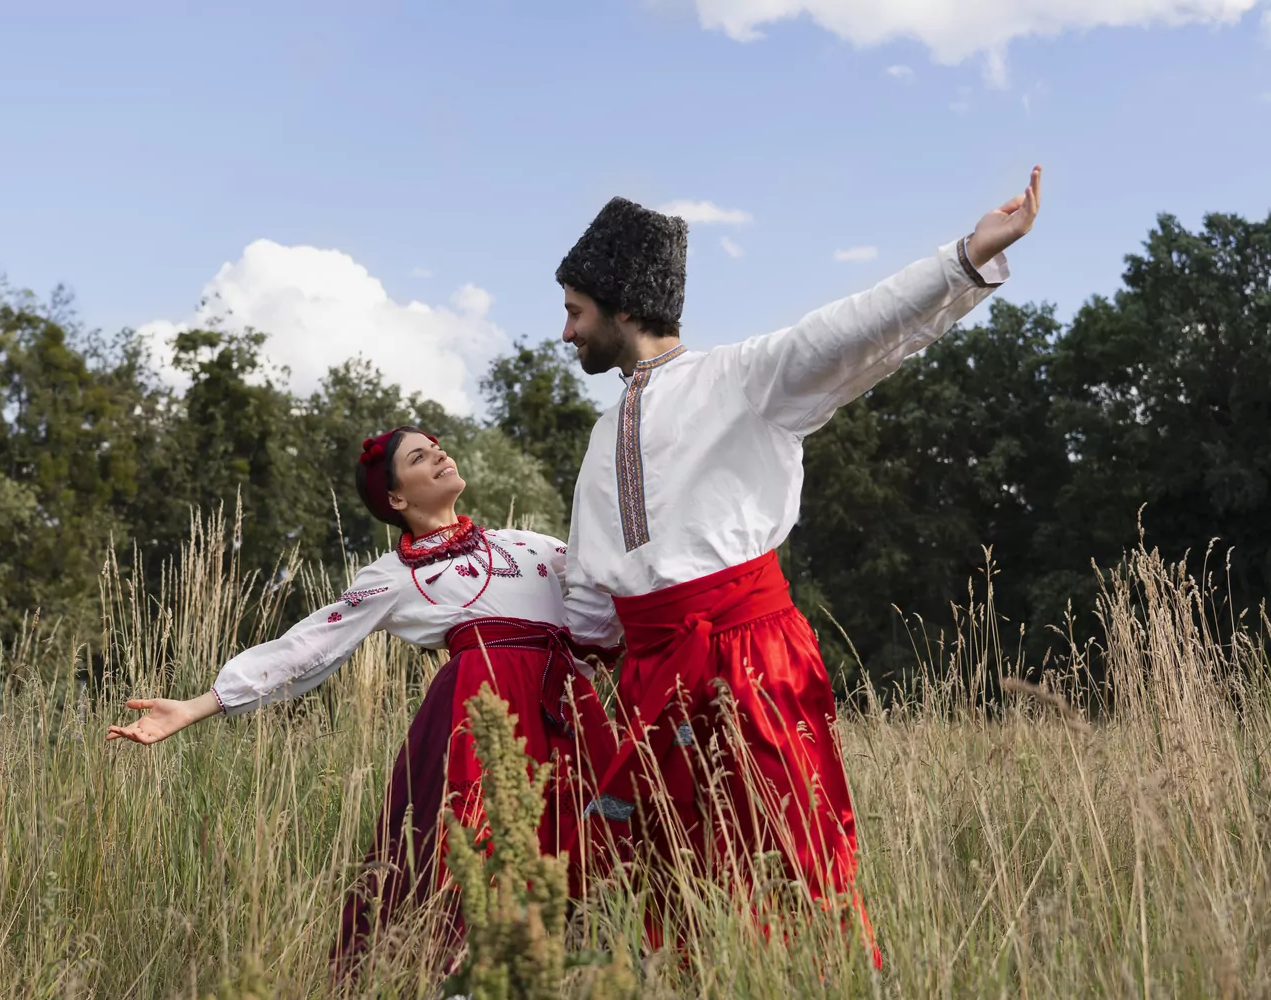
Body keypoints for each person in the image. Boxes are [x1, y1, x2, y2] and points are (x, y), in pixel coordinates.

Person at [554, 168, 1044, 960]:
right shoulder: (600, 435)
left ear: (624, 306)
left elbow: (850, 332)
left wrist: (963, 259)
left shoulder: (742, 380)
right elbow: (587, 588)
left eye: (576, 312)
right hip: (649, 679)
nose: (567, 332)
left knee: (788, 868)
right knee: (673, 892)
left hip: (746, 660)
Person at [106, 426, 622, 971]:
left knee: (597, 841)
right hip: (482, 709)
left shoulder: (529, 544)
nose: (440, 455)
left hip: (564, 707)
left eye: (436, 447)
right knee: (477, 852)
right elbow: (308, 645)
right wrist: (197, 705)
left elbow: (609, 592)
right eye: (421, 457)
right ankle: (464, 976)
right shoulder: (397, 576)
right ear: (397, 499)